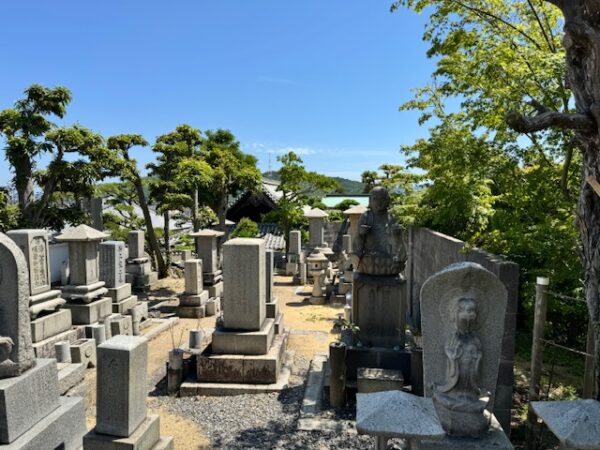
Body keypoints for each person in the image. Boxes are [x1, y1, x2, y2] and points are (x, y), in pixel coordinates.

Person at [353, 186, 406, 276]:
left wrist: (396, 236)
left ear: (388, 200)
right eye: (375, 199)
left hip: (388, 260)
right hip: (369, 259)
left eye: (382, 199)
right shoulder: (366, 217)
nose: (379, 202)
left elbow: (400, 251)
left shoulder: (391, 217)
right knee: (360, 261)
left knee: (397, 264)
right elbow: (356, 246)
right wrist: (361, 234)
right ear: (370, 200)